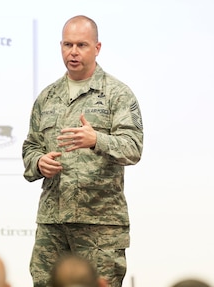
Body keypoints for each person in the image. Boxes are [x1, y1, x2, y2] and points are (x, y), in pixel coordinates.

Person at [22, 15, 143, 287]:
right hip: (53, 224)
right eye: (67, 44)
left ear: (97, 48)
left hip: (99, 226)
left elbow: (133, 148)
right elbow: (30, 147)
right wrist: (39, 162)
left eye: (81, 45)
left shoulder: (117, 94)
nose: (73, 52)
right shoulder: (47, 97)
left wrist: (96, 139)